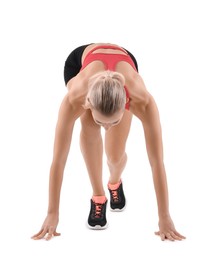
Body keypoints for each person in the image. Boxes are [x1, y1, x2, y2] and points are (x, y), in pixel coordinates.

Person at [31, 43, 186, 241]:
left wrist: (164, 216)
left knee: (114, 156)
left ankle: (114, 182)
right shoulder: (75, 97)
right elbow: (59, 160)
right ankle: (98, 196)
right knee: (89, 127)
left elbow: (157, 162)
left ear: (126, 105)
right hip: (80, 63)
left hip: (124, 61)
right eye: (101, 121)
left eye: (114, 121)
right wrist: (52, 213)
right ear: (87, 103)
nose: (107, 127)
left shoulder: (142, 100)